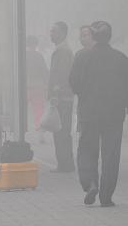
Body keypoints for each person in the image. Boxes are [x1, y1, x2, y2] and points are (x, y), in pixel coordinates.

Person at [70, 21, 128, 207]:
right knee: (111, 154)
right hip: (114, 114)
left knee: (87, 149)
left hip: (89, 113)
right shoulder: (121, 58)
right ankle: (106, 196)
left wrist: (83, 94)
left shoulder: (83, 57)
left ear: (94, 36)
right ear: (109, 36)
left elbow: (74, 82)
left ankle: (90, 183)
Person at [48, 21, 75, 172]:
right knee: (61, 130)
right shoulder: (62, 49)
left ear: (63, 33)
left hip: (62, 97)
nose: (51, 34)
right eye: (51, 31)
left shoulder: (63, 51)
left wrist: (55, 93)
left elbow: (63, 74)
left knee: (61, 131)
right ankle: (65, 163)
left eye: (54, 31)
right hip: (63, 96)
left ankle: (66, 164)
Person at [26, 35, 49, 142]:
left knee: (23, 111)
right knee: (38, 110)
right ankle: (40, 134)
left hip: (25, 86)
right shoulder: (39, 56)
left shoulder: (23, 56)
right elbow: (45, 72)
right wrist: (47, 85)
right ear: (36, 44)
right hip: (38, 86)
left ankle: (23, 133)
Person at [75, 26, 96, 132]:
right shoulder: (79, 54)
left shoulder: (101, 53)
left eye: (85, 35)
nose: (82, 38)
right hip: (83, 98)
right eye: (81, 36)